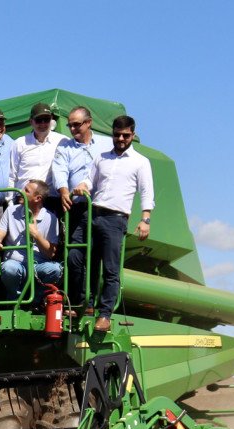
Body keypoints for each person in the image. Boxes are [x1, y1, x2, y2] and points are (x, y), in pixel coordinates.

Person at [89, 115, 154, 331]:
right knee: (86, 262)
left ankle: (105, 314)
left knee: (110, 268)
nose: (121, 139)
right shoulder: (101, 158)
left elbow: (146, 193)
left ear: (133, 135)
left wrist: (145, 219)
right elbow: (90, 183)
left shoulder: (141, 162)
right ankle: (87, 305)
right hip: (93, 213)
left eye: (125, 135)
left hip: (116, 218)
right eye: (117, 135)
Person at [50, 106, 113, 305]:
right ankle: (78, 299)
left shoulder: (106, 144)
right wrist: (63, 191)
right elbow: (59, 170)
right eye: (70, 125)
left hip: (102, 208)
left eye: (77, 124)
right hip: (77, 209)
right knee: (75, 255)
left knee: (96, 255)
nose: (73, 128)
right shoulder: (64, 147)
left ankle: (91, 301)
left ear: (89, 122)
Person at [0, 179, 61, 302]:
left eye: (26, 191)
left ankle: (36, 300)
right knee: (9, 268)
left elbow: (51, 253)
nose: (20, 192)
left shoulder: (50, 218)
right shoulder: (11, 211)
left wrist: (36, 234)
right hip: (15, 263)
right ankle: (15, 300)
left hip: (38, 265)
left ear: (37, 198)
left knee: (55, 269)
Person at [10, 102, 66, 196]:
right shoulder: (19, 143)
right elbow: (11, 175)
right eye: (39, 120)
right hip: (23, 199)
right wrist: (10, 202)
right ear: (31, 121)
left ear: (51, 119)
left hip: (51, 200)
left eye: (46, 119)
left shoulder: (62, 141)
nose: (43, 123)